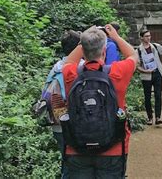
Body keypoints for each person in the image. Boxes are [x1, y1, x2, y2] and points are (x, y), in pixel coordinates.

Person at [62, 25, 138, 178]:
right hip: (113, 148)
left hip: (77, 147)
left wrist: (84, 38)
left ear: (83, 51)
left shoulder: (70, 73)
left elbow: (68, 61)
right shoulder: (117, 72)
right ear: (104, 50)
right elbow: (133, 55)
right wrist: (115, 37)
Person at [47, 30, 81, 179]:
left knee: (66, 161)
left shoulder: (56, 67)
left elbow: (46, 93)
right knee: (78, 164)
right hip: (76, 124)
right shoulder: (80, 66)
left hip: (57, 122)